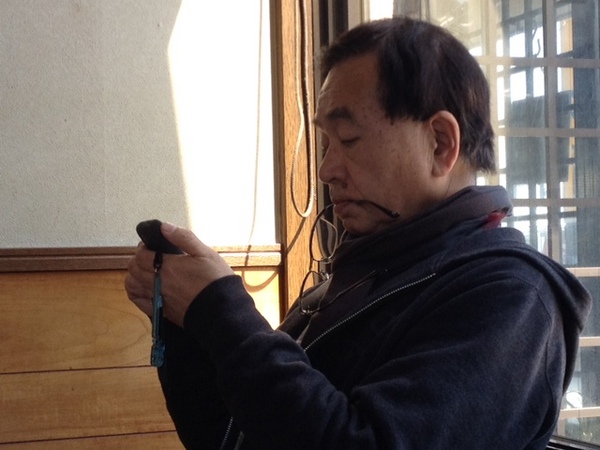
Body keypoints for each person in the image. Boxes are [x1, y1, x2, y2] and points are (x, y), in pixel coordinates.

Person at [125, 16, 591, 450]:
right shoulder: (361, 276)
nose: (326, 170)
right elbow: (229, 434)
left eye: (348, 139)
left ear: (440, 144)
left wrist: (221, 313)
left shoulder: (511, 295)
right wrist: (187, 324)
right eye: (326, 143)